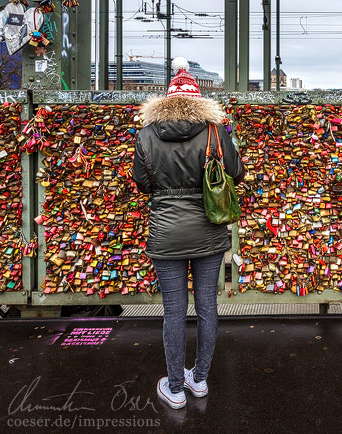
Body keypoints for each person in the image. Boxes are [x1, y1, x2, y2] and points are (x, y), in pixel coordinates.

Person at [133, 57, 244, 410]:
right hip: (209, 232)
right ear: (199, 101)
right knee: (208, 307)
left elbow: (142, 183)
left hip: (165, 234)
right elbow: (236, 173)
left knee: (174, 311)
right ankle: (199, 379)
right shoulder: (215, 132)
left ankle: (175, 388)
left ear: (164, 102)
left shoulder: (146, 135)